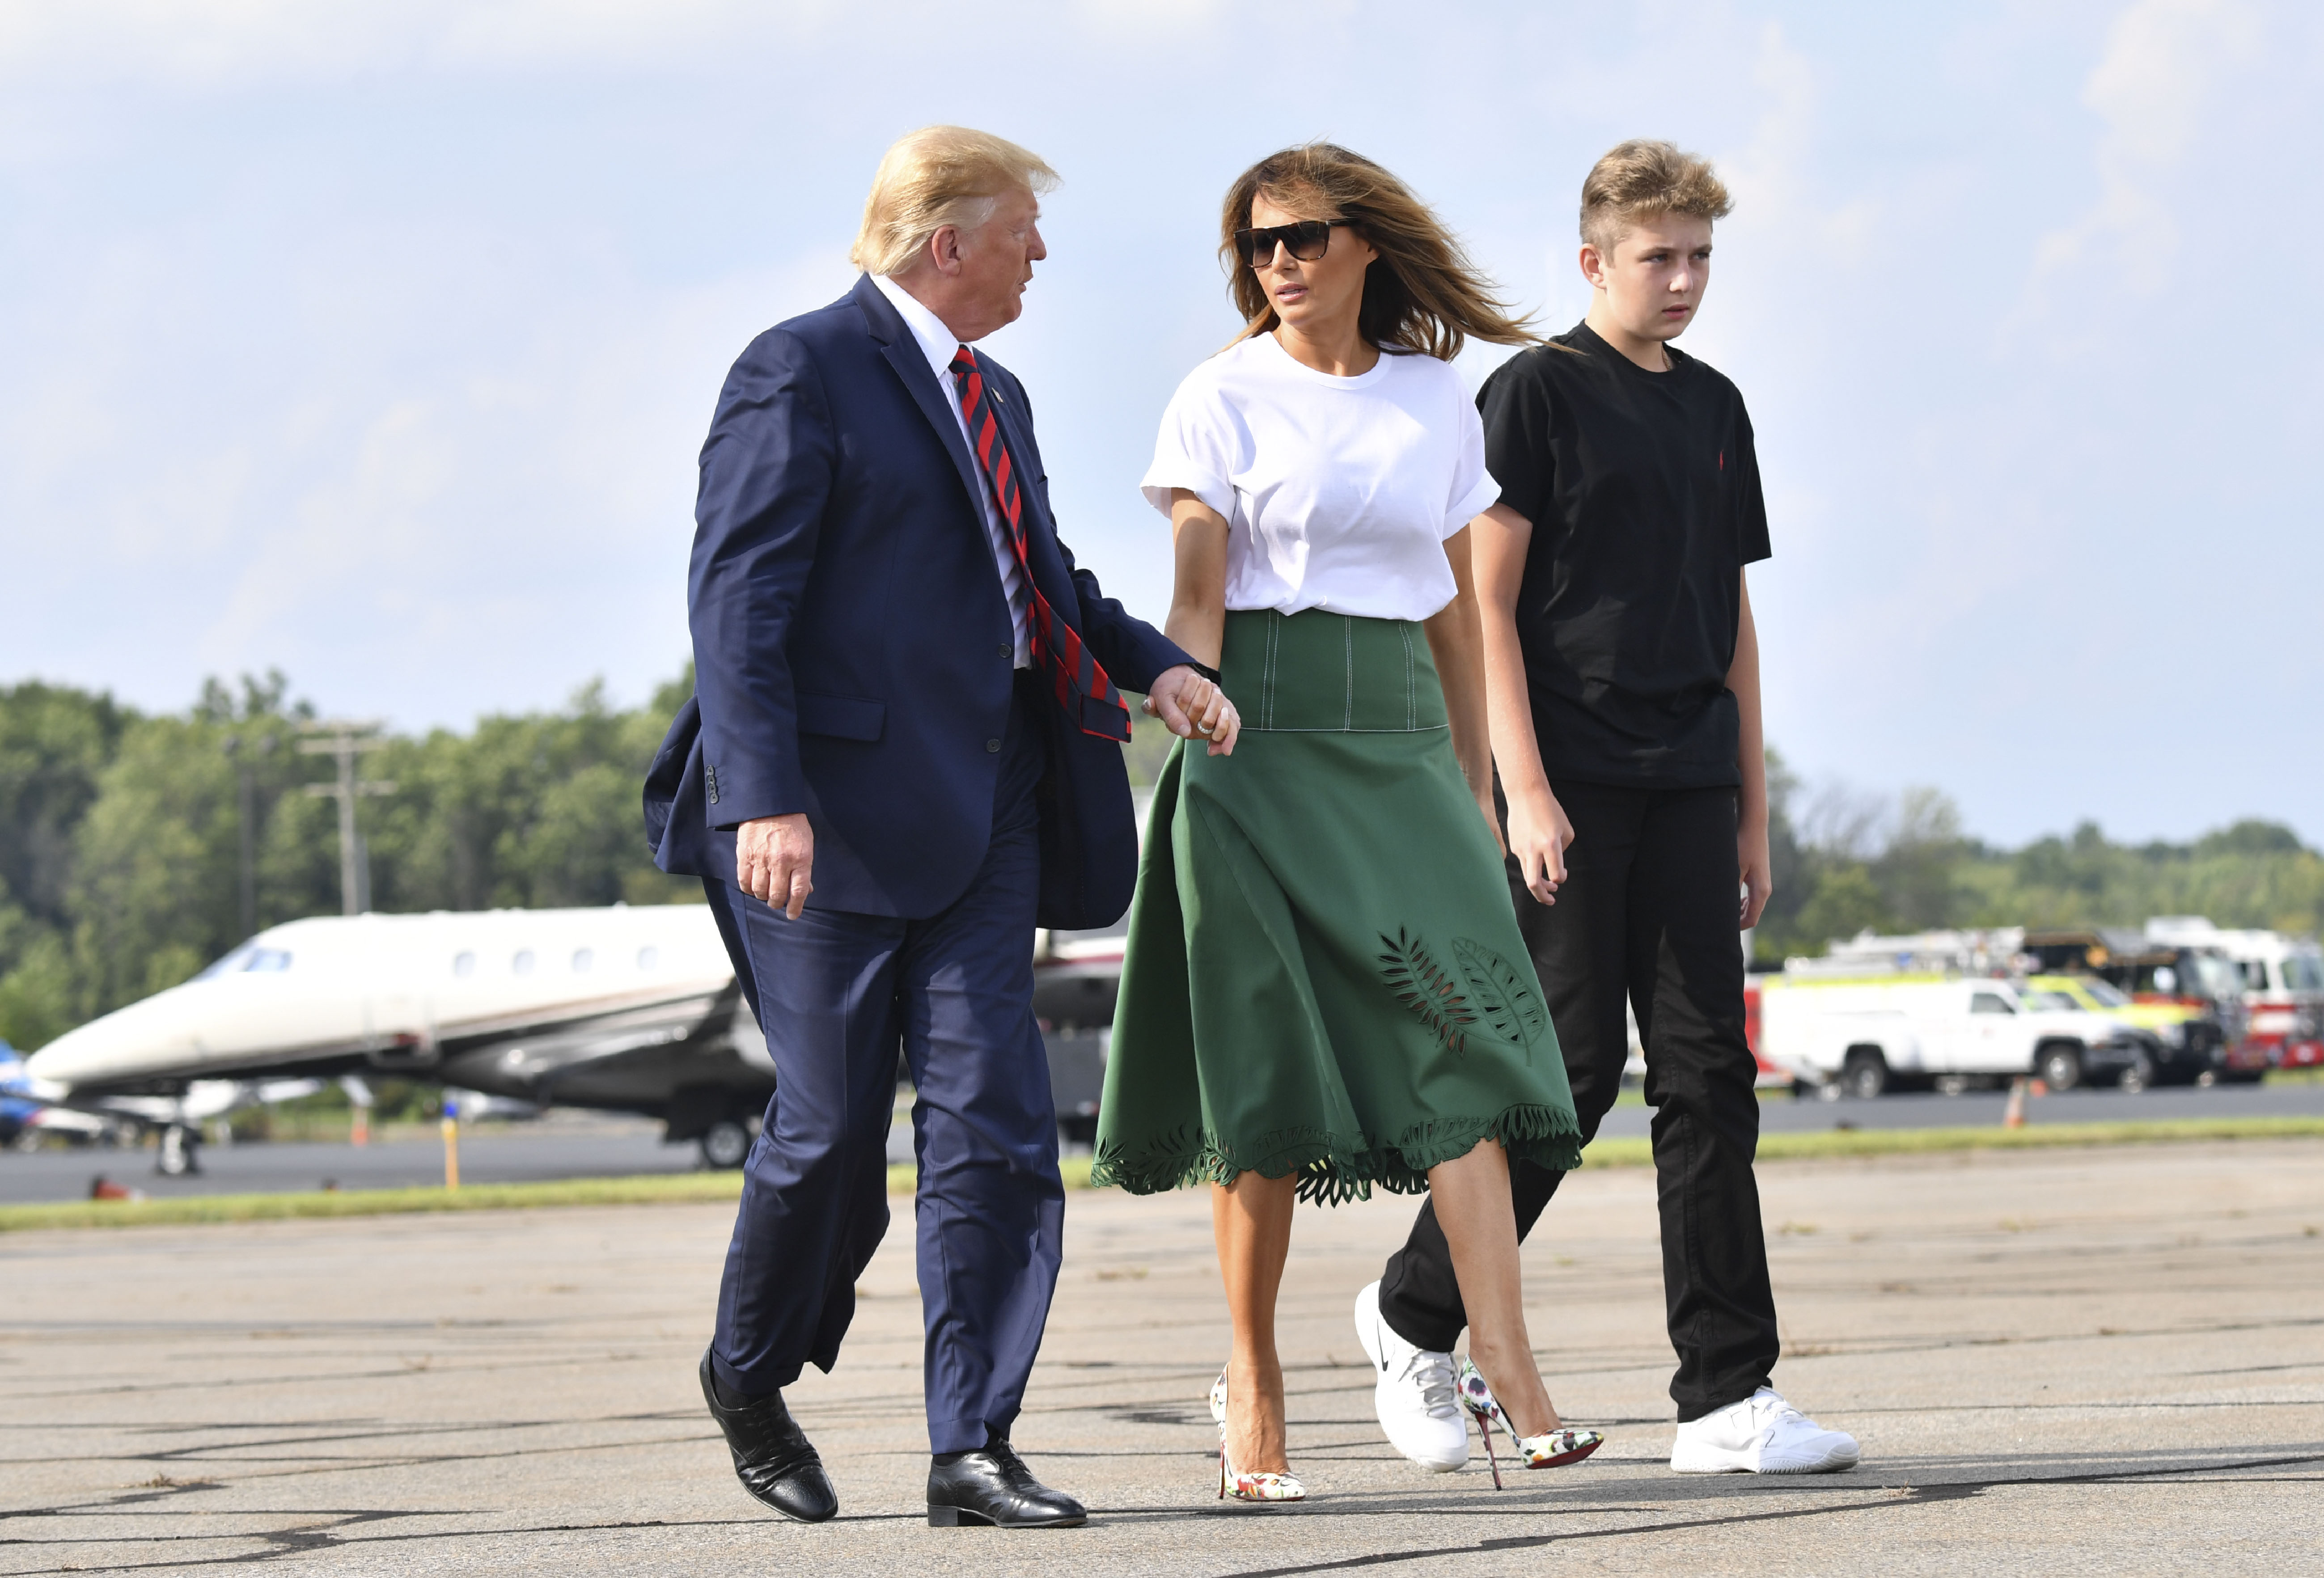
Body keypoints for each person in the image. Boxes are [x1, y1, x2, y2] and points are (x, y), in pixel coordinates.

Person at [642, 125, 1235, 1529]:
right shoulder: (799, 368)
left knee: (997, 1129)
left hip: (990, 810)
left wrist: (1157, 660)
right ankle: (747, 1369)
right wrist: (763, 791)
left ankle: (972, 1441)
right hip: (823, 820)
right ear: (947, 240)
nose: (1044, 253)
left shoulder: (998, 393)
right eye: (1025, 228)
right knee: (831, 1127)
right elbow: (739, 600)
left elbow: (1045, 579)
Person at [1092, 143, 1601, 1502]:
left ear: (1366, 245)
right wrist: (1175, 676)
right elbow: (1199, 571)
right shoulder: (1219, 395)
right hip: (1250, 742)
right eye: (1259, 245)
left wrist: (1479, 787)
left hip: (1402, 747)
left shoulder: (1437, 398)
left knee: (1471, 1048)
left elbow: (1452, 606)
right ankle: (1251, 1384)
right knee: (1260, 1084)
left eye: (1307, 237)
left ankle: (1506, 1355)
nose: (1281, 264)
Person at [1356, 139, 1860, 1477]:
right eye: (1660, 257)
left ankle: (1727, 1399)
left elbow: (1735, 615)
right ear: (1595, 261)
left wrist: (1752, 808)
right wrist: (1520, 787)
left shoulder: (1717, 406)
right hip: (1570, 785)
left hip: (1693, 778)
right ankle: (1414, 1312)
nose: (1685, 279)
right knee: (1567, 1078)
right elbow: (1488, 603)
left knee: (1711, 1083)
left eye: (1701, 256)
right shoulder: (1536, 396)